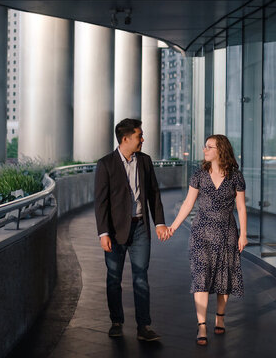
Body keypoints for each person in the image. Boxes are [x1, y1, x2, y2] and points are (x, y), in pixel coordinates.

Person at [94, 118, 170, 342]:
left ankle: (143, 326)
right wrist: (103, 233)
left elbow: (154, 194)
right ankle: (116, 321)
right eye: (139, 136)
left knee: (141, 277)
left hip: (140, 229)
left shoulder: (145, 161)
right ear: (125, 139)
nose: (143, 139)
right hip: (115, 232)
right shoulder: (105, 164)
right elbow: (101, 202)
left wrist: (159, 223)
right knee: (113, 278)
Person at [167, 134, 247, 345]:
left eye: (209, 147)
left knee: (223, 278)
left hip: (227, 232)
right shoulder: (199, 175)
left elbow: (241, 207)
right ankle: (201, 325)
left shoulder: (235, 176)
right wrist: (173, 227)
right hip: (201, 232)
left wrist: (244, 234)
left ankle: (219, 317)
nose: (205, 150)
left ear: (220, 150)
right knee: (200, 277)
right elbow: (187, 204)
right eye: (205, 146)